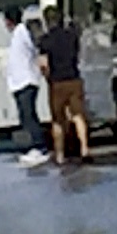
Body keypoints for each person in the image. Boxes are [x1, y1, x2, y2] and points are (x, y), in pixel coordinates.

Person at [38, 11, 91, 165]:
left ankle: (60, 155)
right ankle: (85, 149)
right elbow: (79, 55)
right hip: (74, 79)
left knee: (58, 121)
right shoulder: (72, 36)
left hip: (57, 83)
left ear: (47, 22)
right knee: (78, 116)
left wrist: (48, 77)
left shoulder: (45, 41)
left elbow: (43, 64)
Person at [4, 7, 46, 165]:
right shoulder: (16, 34)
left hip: (26, 81)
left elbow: (32, 48)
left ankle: (39, 147)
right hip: (19, 82)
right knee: (25, 116)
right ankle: (34, 147)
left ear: (9, 21)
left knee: (29, 116)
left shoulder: (22, 32)